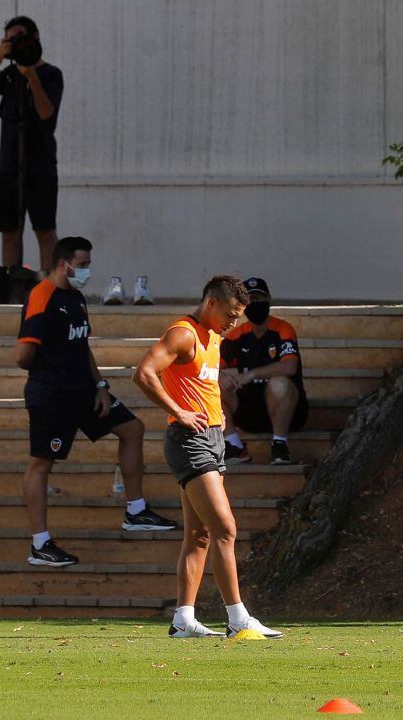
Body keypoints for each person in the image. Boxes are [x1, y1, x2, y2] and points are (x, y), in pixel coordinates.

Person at [133, 275, 282, 639]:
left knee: (199, 535)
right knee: (225, 528)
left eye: (239, 317)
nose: (234, 323)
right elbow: (144, 373)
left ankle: (183, 619)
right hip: (190, 440)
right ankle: (237, 618)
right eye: (231, 314)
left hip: (212, 438)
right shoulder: (183, 333)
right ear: (212, 303)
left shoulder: (214, 336)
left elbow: (202, 385)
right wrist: (179, 411)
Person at [17, 236, 177, 567]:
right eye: (83, 264)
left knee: (132, 428)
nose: (87, 270)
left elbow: (82, 345)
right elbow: (23, 354)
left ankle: (135, 510)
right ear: (64, 264)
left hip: (85, 392)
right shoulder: (41, 296)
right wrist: (53, 372)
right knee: (41, 463)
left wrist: (100, 384)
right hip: (52, 395)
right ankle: (40, 544)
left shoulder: (75, 297)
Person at [0, 15, 63, 271]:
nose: (16, 43)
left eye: (20, 37)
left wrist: (32, 76)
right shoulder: (9, 74)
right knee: (9, 232)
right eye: (10, 39)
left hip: (41, 166)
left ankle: (47, 288)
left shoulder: (52, 74)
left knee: (45, 230)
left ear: (35, 38)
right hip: (9, 166)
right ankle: (11, 289)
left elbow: (46, 113)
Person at [220, 278, 307, 466]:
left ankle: (279, 445)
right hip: (249, 410)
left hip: (287, 411)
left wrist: (251, 374)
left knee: (279, 383)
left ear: (269, 300)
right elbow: (212, 366)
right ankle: (234, 445)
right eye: (250, 299)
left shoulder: (283, 329)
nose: (255, 303)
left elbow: (289, 366)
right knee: (214, 383)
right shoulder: (236, 335)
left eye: (259, 298)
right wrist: (221, 376)